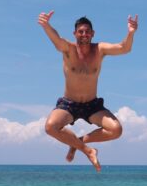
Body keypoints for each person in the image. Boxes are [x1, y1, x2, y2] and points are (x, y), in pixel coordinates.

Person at [38, 11, 138, 172]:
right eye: (80, 31)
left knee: (116, 130)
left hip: (92, 105)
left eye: (87, 31)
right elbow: (57, 40)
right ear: (75, 33)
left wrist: (131, 32)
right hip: (69, 104)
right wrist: (46, 25)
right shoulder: (68, 49)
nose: (84, 34)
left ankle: (77, 142)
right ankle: (87, 150)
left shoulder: (100, 49)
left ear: (92, 33)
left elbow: (124, 48)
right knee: (50, 127)